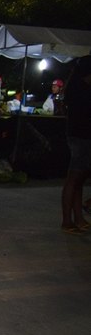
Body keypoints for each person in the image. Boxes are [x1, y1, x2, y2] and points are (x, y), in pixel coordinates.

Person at [61, 55, 91, 234]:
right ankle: (67, 220)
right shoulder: (80, 89)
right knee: (75, 178)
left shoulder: (77, 87)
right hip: (80, 137)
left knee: (78, 179)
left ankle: (78, 217)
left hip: (79, 136)